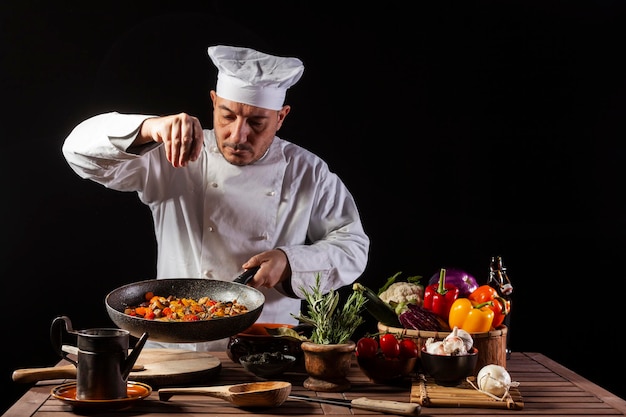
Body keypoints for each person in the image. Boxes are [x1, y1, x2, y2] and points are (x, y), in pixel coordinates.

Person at [62, 45, 370, 351]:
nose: (238, 135)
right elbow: (76, 151)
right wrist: (148, 127)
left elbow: (353, 247)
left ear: (281, 117)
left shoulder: (307, 171)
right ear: (213, 102)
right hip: (175, 347)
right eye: (227, 116)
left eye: (256, 122)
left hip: (266, 349)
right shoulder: (174, 153)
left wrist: (290, 262)